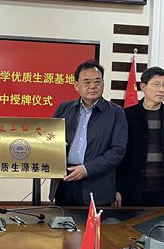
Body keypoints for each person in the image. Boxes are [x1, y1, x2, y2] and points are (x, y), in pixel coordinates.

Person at [50, 60, 127, 207]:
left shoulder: (116, 113)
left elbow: (117, 151)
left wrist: (87, 169)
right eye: (87, 82)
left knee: (95, 222)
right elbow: (50, 138)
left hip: (97, 184)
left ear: (103, 84)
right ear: (76, 85)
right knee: (63, 221)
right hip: (65, 181)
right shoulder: (64, 108)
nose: (92, 86)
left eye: (97, 81)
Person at [116, 67, 164, 208]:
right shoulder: (127, 115)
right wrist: (117, 188)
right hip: (133, 188)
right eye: (156, 84)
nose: (161, 90)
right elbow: (120, 155)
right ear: (143, 87)